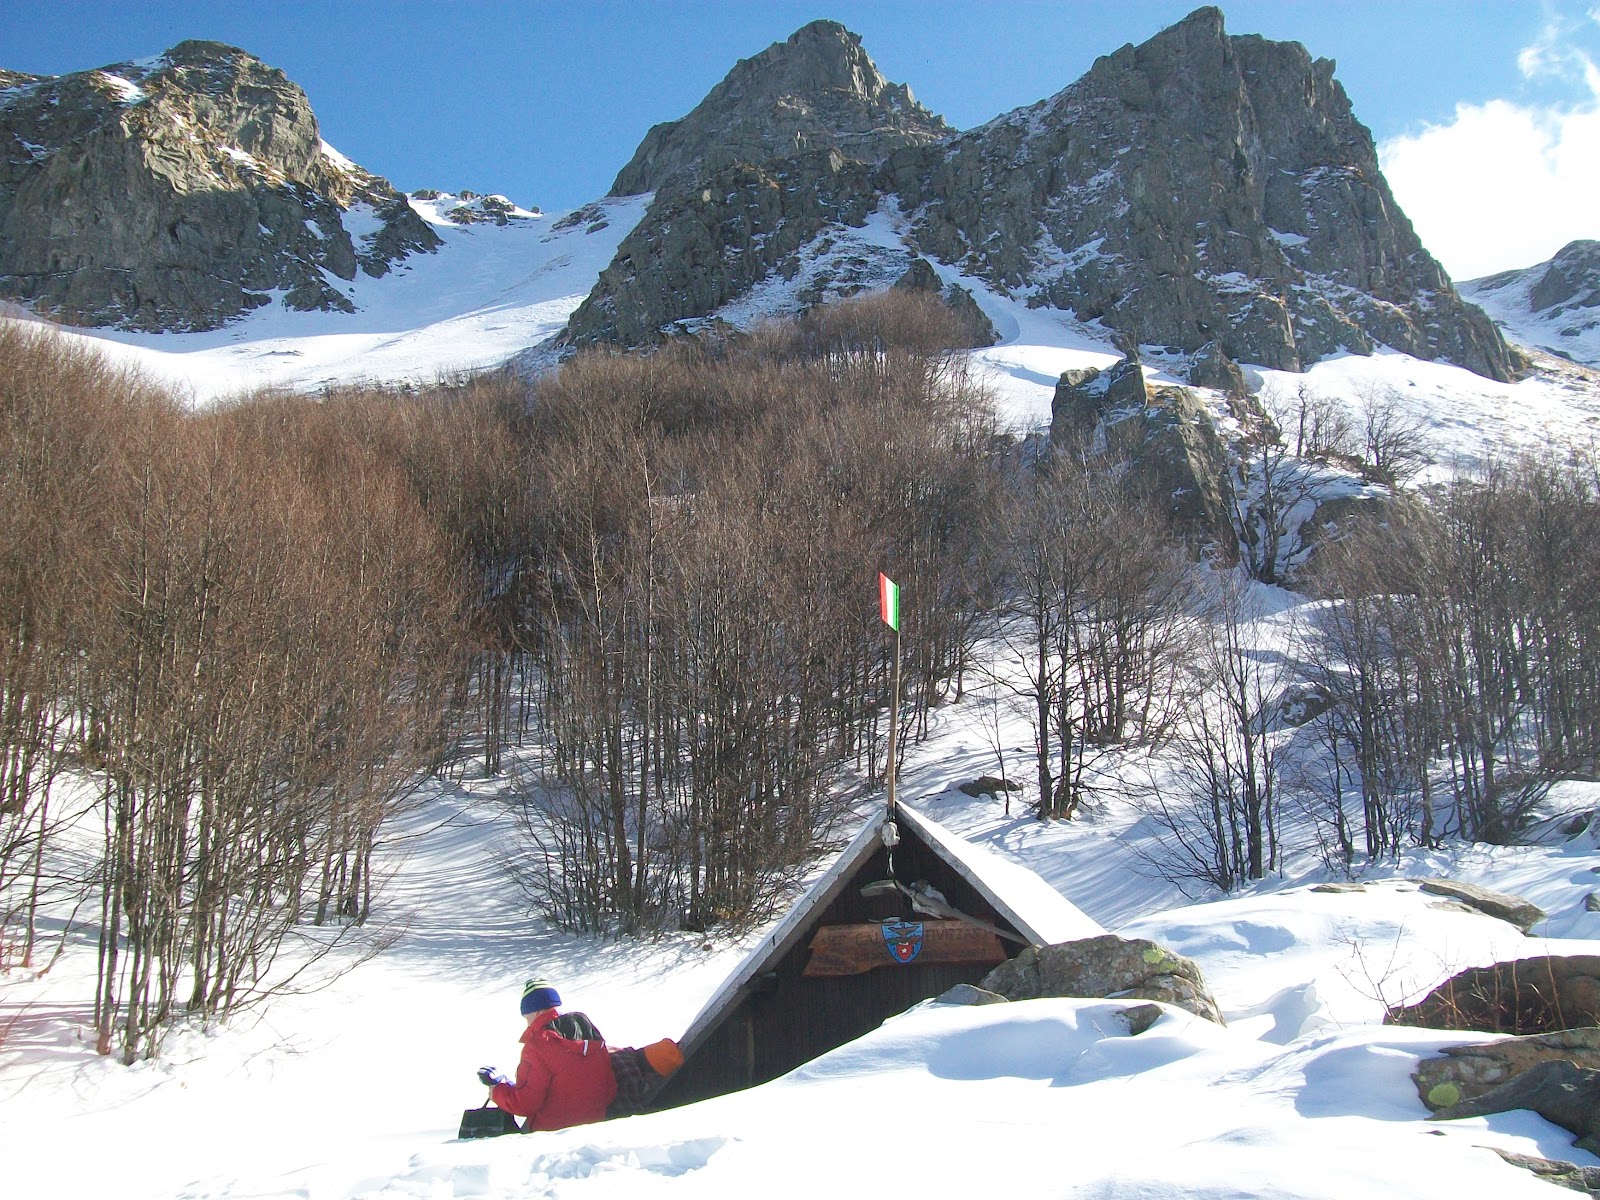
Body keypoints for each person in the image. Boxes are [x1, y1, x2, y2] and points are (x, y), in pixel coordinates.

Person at [477, 979, 617, 1132]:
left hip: (550, 1133)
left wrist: (497, 1091)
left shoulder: (539, 1045)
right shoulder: (590, 1035)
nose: (527, 1024)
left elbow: (525, 1104)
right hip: (596, 1127)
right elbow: (609, 1090)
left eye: (527, 1017)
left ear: (536, 1011)